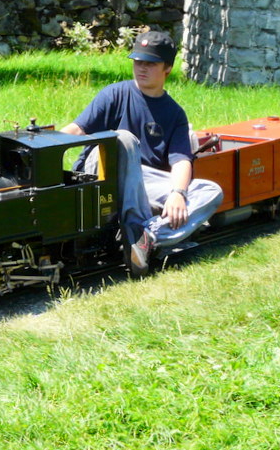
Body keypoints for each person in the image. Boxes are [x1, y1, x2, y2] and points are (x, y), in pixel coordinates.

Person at [61, 30, 223, 276]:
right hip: (102, 176)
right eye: (138, 62)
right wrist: (45, 142)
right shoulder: (114, 94)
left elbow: (181, 160)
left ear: (167, 68)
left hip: (144, 183)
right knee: (123, 140)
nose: (141, 68)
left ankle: (147, 236)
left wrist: (178, 194)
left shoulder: (174, 113)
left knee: (210, 191)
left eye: (150, 63)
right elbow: (77, 129)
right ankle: (137, 229)